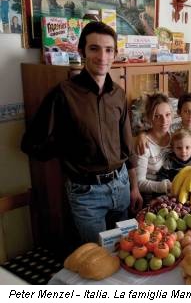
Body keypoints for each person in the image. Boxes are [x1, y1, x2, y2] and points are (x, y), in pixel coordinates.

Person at [21, 21, 142, 243]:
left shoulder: (117, 94)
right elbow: (31, 144)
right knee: (97, 256)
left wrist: (134, 187)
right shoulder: (63, 94)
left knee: (127, 250)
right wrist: (66, 145)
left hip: (121, 186)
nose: (102, 57)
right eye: (94, 48)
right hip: (87, 193)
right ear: (81, 51)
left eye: (108, 50)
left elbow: (127, 146)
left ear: (115, 54)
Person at [135, 93, 173, 202]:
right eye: (157, 116)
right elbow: (139, 183)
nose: (164, 120)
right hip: (152, 200)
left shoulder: (175, 135)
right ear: (149, 117)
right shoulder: (144, 144)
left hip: (175, 196)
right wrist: (164, 186)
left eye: (167, 114)